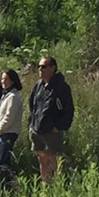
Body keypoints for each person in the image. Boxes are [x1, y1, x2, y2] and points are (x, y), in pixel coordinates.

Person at [29, 55, 74, 184]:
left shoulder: (61, 87)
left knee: (55, 160)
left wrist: (59, 126)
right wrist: (32, 122)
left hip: (52, 131)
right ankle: (46, 186)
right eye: (39, 67)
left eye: (43, 67)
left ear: (53, 68)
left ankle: (58, 187)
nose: (40, 69)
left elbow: (68, 110)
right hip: (37, 129)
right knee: (42, 158)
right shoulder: (38, 85)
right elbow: (32, 104)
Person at [0, 69, 23, 190]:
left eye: (6, 79)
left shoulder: (14, 96)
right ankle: (3, 187)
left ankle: (3, 188)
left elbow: (8, 118)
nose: (3, 81)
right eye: (2, 78)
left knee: (1, 162)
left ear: (13, 81)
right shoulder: (5, 95)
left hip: (8, 133)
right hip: (1, 132)